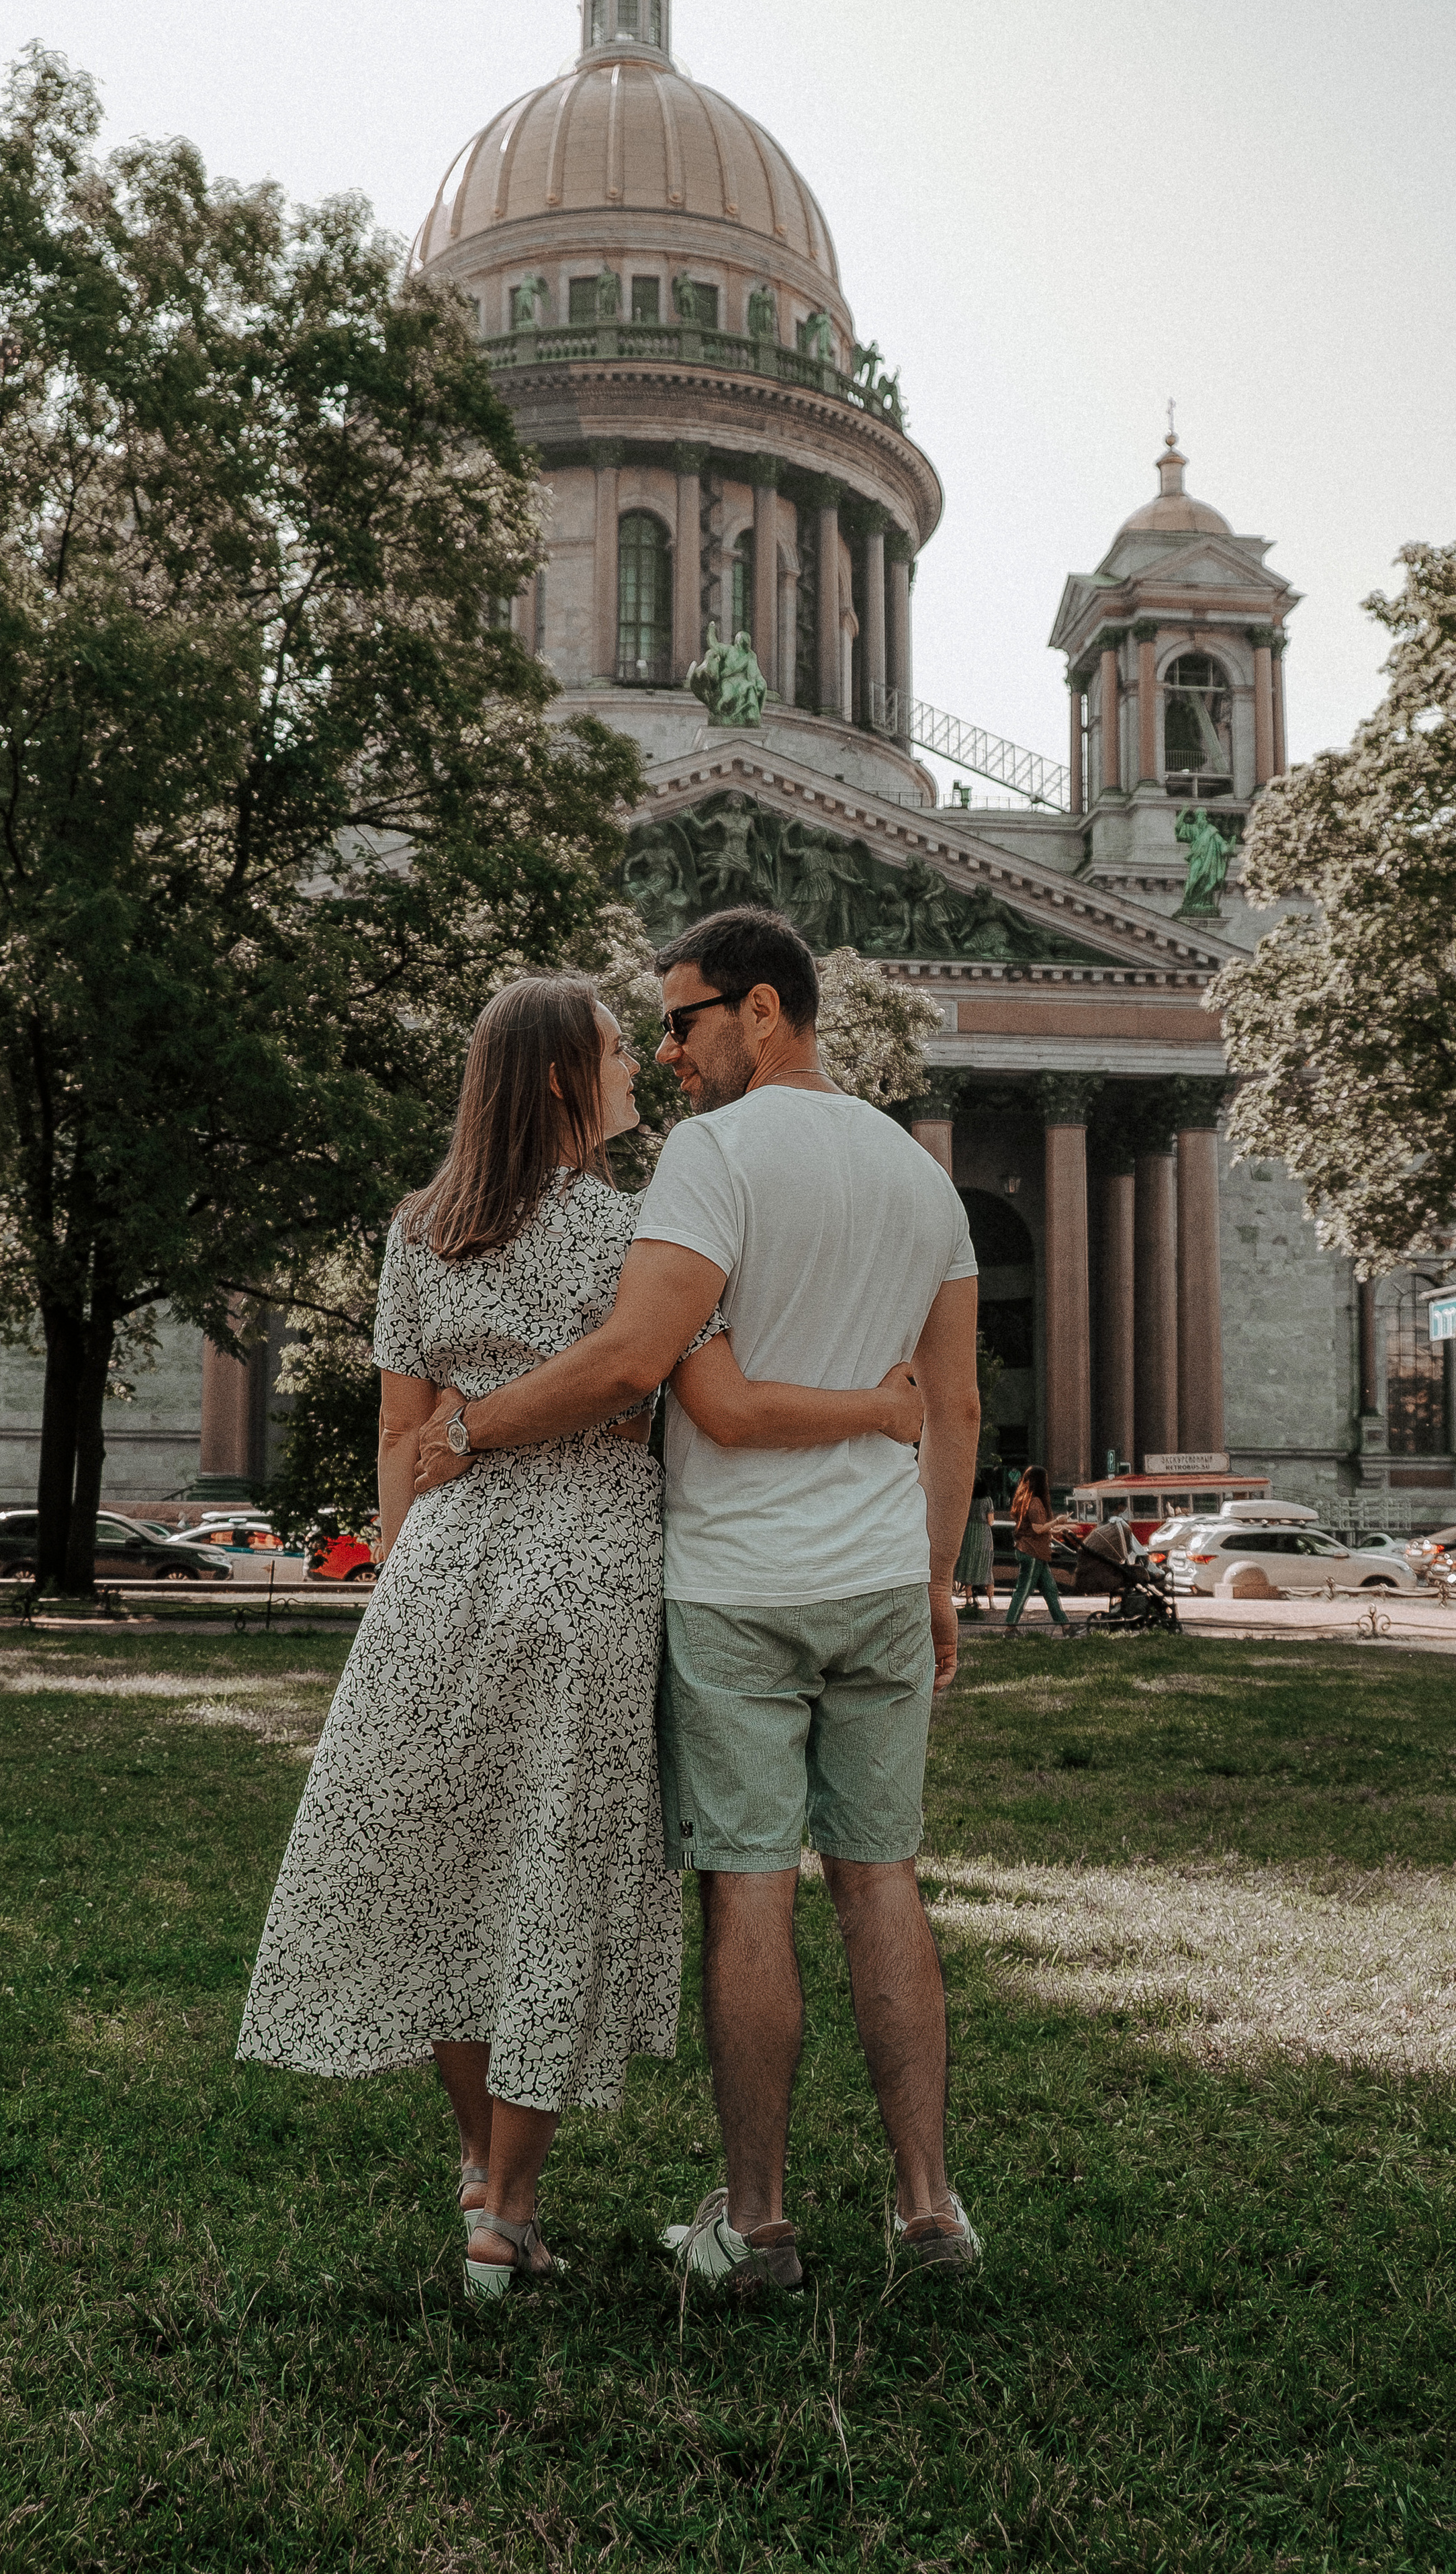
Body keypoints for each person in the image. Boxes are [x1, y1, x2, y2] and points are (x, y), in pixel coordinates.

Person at [236, 975, 923, 2299]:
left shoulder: (417, 1233)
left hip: (439, 1569)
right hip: (590, 1572)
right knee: (549, 1889)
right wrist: (875, 1406)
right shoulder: (639, 1233)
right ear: (561, 1081)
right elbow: (706, 1400)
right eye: (613, 1052)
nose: (633, 1069)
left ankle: (480, 2179)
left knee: (447, 1877)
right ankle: (512, 2211)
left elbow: (401, 1433)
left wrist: (396, 1583)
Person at [415, 907, 984, 2289]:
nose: (663, 1048)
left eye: (682, 1019)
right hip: (872, 1581)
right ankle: (926, 2211)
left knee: (747, 1893)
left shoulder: (712, 1160)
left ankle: (756, 2218)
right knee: (882, 1878)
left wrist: (471, 1430)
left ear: (766, 1012)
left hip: (735, 1586)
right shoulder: (921, 1178)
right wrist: (928, 1571)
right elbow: (953, 1403)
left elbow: (634, 1362)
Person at [1004, 1465, 1073, 1636]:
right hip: (1032, 1552)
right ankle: (1010, 1628)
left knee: (1050, 1590)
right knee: (1024, 1590)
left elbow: (1037, 1528)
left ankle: (1067, 1627)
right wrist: (1057, 1522)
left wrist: (1055, 1530)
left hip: (1037, 1552)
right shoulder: (1035, 1502)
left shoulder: (1026, 1499)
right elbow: (1037, 1529)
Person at [955, 1485, 995, 1619]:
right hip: (983, 1535)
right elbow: (990, 1521)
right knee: (986, 1567)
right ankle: (991, 1602)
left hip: (970, 1534)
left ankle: (968, 1600)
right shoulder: (988, 1500)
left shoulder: (969, 1500)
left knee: (970, 1566)